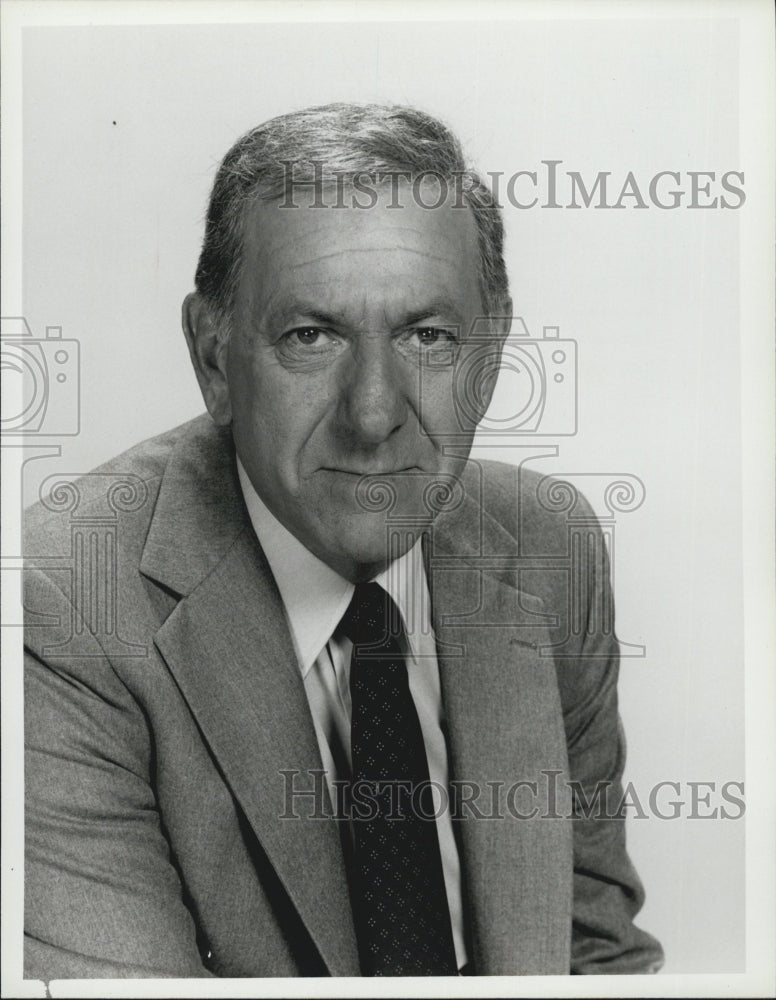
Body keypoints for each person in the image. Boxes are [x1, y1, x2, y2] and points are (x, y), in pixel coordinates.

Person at [23, 103, 663, 978]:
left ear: (495, 352)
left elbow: (597, 957)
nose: (373, 415)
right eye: (310, 336)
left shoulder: (552, 548)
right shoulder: (65, 601)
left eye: (428, 336)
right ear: (213, 358)